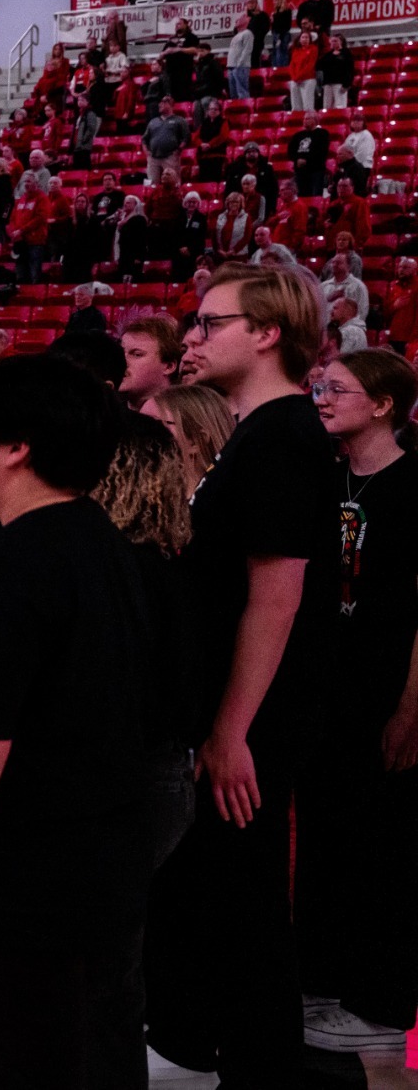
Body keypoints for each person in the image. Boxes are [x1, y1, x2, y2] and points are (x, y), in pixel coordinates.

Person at [0, 354, 185, 1089]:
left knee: (27, 1060)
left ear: (17, 446)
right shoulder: (109, 543)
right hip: (103, 855)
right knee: (101, 1051)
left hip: (19, 877)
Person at [146, 262, 339, 1086]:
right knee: (219, 883)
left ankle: (261, 1064)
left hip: (256, 711)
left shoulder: (283, 435)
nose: (194, 337)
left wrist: (231, 730)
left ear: (266, 333)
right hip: (240, 703)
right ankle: (198, 1040)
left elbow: (276, 597)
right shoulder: (257, 433)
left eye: (210, 322)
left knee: (245, 888)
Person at [296, 349, 418, 1056]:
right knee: (324, 838)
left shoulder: (413, 483)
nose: (321, 397)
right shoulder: (325, 472)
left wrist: (410, 709)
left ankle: (381, 1003)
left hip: (385, 690)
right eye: (319, 385)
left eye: (337, 389)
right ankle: (322, 978)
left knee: (384, 848)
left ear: (382, 404)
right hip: (326, 690)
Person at [118, 315, 182, 407]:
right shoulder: (106, 411)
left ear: (169, 366)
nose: (121, 361)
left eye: (137, 354)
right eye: (121, 352)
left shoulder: (187, 414)